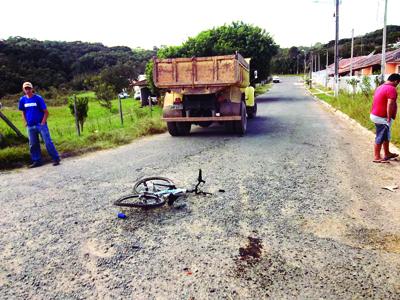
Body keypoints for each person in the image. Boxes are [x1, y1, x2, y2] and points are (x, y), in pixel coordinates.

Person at [18, 82, 60, 168]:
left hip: (40, 125)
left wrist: (43, 122)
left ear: (32, 89)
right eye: (26, 88)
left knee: (47, 142)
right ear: (23, 90)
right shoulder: (22, 100)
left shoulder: (38, 98)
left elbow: (46, 112)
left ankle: (56, 158)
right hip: (30, 126)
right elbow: (23, 112)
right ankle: (37, 161)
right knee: (33, 144)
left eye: (29, 88)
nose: (27, 90)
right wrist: (25, 122)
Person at [370, 73, 400, 163]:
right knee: (381, 135)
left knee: (386, 135)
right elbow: (390, 104)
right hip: (381, 117)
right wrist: (388, 117)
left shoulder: (380, 87)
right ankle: (377, 157)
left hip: (375, 115)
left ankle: (387, 153)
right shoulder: (391, 89)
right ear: (395, 81)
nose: (397, 85)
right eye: (398, 83)